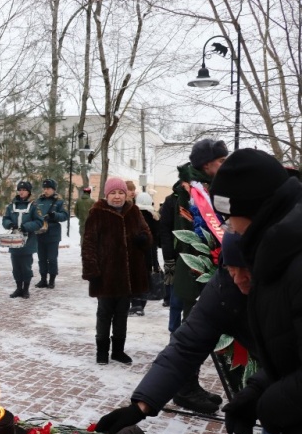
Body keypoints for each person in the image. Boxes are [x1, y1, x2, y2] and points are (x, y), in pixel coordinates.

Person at [95, 231, 283, 434]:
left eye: (247, 270)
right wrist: (140, 406)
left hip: (288, 374)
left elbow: (291, 355)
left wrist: (257, 390)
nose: (239, 279)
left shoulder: (288, 283)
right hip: (280, 379)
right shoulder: (224, 289)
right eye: (232, 269)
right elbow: (185, 347)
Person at [209, 148, 302, 434]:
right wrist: (256, 393)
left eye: (232, 217)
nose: (230, 227)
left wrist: (268, 404)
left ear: (256, 209)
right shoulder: (278, 249)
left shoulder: (293, 262)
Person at [158, 138, 229, 414]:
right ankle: (183, 389)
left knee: (201, 330)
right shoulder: (186, 194)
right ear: (206, 164)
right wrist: (171, 265)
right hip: (193, 271)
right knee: (190, 332)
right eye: (221, 161)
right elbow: (171, 233)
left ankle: (189, 386)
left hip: (215, 269)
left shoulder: (216, 189)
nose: (225, 165)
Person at [81, 177, 152, 365]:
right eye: (113, 193)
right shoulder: (97, 213)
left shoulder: (134, 211)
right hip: (105, 275)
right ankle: (102, 352)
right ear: (107, 195)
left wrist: (143, 239)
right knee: (104, 314)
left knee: (122, 315)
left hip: (127, 275)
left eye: (120, 193)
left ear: (126, 194)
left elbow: (148, 235)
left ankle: (118, 351)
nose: (118, 197)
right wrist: (91, 270)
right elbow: (88, 243)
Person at [1, 181, 44, 299]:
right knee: (16, 267)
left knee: (25, 267)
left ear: (29, 191)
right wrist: (9, 224)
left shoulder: (34, 206)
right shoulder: (11, 206)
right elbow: (5, 219)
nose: (21, 192)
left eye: (24, 190)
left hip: (28, 241)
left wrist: (26, 227)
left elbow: (39, 222)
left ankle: (26, 289)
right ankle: (18, 288)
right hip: (14, 241)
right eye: (20, 190)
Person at [129, 192, 161, 316]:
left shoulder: (134, 216)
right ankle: (141, 305)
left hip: (135, 253)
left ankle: (135, 304)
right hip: (150, 253)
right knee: (146, 278)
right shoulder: (155, 217)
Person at [34, 178, 69, 288]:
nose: (46, 190)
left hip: (53, 234)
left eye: (48, 188)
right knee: (42, 258)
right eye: (44, 188)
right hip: (40, 233)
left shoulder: (59, 201)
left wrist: (55, 215)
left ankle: (52, 280)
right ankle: (43, 279)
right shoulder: (38, 201)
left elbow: (65, 215)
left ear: (53, 189)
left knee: (52, 259)